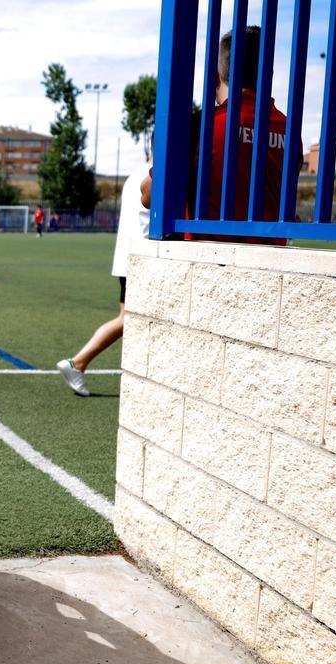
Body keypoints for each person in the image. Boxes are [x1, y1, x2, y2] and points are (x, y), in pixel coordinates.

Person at [140, 25, 294, 246]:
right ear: (267, 75)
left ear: (216, 77)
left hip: (211, 258)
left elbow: (150, 196)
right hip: (272, 258)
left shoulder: (202, 125)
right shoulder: (289, 130)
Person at [57, 163, 152, 396]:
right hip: (143, 256)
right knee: (129, 319)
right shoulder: (154, 172)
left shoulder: (135, 173)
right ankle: (78, 362)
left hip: (129, 256)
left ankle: (79, 363)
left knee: (128, 318)